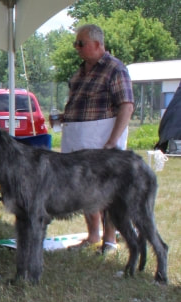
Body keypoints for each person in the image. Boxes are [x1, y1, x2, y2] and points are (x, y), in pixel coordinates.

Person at [62, 24, 134, 255]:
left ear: (97, 44)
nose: (76, 47)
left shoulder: (115, 69)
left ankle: (110, 239)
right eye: (76, 43)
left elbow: (126, 106)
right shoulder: (80, 72)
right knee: (84, 189)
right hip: (78, 141)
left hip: (101, 142)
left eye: (80, 43)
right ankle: (93, 234)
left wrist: (112, 142)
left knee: (107, 191)